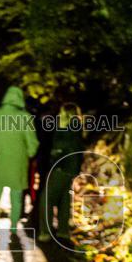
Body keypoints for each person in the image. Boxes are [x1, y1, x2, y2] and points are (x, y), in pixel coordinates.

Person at [0, 85, 39, 231]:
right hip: (19, 162)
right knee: (16, 197)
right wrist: (28, 154)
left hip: (0, 160)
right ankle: (13, 228)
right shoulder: (25, 117)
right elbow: (32, 142)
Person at [38, 102, 85, 244]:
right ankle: (63, 231)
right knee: (64, 199)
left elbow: (61, 147)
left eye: (61, 112)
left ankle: (45, 232)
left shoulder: (67, 128)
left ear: (66, 114)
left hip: (61, 167)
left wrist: (54, 158)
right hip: (71, 169)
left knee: (46, 199)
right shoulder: (77, 127)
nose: (58, 115)